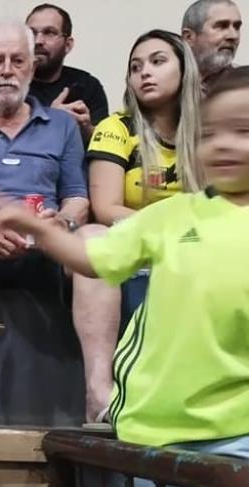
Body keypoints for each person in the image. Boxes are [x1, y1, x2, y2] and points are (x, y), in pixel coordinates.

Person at [0, 65, 249, 487]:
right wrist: (35, 227)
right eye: (212, 133)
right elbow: (96, 259)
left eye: (245, 131)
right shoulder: (172, 215)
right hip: (156, 417)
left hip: (239, 423)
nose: (225, 145)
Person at [0, 20, 118, 426]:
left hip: (48, 246)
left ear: (31, 69)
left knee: (98, 238)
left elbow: (78, 198)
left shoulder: (62, 126)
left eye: (18, 61)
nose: (7, 70)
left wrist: (60, 222)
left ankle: (99, 394)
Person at [88, 30, 204, 320]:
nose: (145, 73)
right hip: (138, 244)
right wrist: (170, 229)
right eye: (135, 67)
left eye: (157, 61)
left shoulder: (209, 129)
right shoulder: (116, 128)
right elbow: (105, 210)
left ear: (184, 68)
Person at [26, 3, 109, 139]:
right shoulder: (7, 84)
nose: (38, 41)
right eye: (31, 33)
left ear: (68, 45)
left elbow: (104, 145)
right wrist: (51, 118)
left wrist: (87, 129)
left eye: (49, 33)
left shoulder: (87, 86)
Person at [182, 0, 243, 91]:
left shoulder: (244, 83)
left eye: (237, 27)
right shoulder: (166, 82)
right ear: (188, 37)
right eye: (221, 26)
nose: (233, 36)